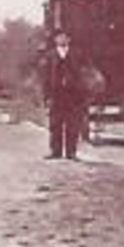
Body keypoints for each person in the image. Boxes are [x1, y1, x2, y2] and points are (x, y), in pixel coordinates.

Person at [39, 29, 91, 160]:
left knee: (72, 124)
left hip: (73, 95)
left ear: (69, 39)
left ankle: (71, 152)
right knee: (55, 123)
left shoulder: (77, 54)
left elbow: (84, 74)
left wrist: (82, 93)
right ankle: (55, 151)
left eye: (64, 37)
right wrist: (46, 96)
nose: (61, 39)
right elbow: (45, 77)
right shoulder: (50, 56)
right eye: (59, 37)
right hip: (56, 94)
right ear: (56, 40)